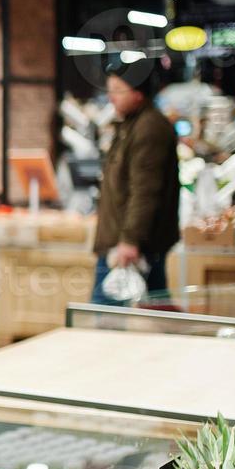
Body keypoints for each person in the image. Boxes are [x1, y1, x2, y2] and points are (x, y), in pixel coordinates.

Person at [92, 66, 179, 303]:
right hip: (126, 240)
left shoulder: (148, 128)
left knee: (104, 319)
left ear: (138, 93)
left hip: (127, 246)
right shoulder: (130, 124)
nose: (111, 97)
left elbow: (146, 190)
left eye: (118, 90)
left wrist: (130, 240)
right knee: (155, 309)